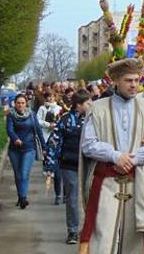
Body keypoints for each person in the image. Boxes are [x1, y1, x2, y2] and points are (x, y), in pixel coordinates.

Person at [79, 58, 144, 254]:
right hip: (105, 181)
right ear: (115, 81)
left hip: (137, 182)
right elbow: (88, 145)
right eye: (128, 80)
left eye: (137, 80)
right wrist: (115, 156)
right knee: (102, 234)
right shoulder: (98, 108)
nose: (134, 85)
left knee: (135, 239)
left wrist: (132, 158)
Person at [55, 89, 92, 245]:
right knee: (72, 198)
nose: (92, 105)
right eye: (88, 103)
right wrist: (50, 166)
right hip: (69, 165)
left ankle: (89, 229)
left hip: (90, 165)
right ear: (79, 105)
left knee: (91, 197)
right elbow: (55, 141)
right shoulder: (66, 120)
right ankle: (73, 231)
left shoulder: (94, 119)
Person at [6, 93, 47, 210]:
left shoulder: (32, 115)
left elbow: (38, 132)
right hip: (15, 149)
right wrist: (16, 139)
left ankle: (23, 198)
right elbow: (9, 130)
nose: (20, 105)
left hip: (29, 148)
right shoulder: (11, 115)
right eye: (18, 103)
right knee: (18, 175)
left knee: (24, 174)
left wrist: (44, 147)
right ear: (15, 104)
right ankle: (20, 196)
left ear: (26, 104)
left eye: (22, 103)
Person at [37, 91, 63, 205]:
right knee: (47, 154)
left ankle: (59, 194)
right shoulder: (42, 108)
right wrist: (48, 125)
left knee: (58, 169)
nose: (51, 98)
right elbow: (38, 120)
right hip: (46, 135)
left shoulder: (59, 108)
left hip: (57, 137)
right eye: (49, 97)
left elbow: (62, 120)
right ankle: (47, 168)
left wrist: (56, 125)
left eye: (53, 96)